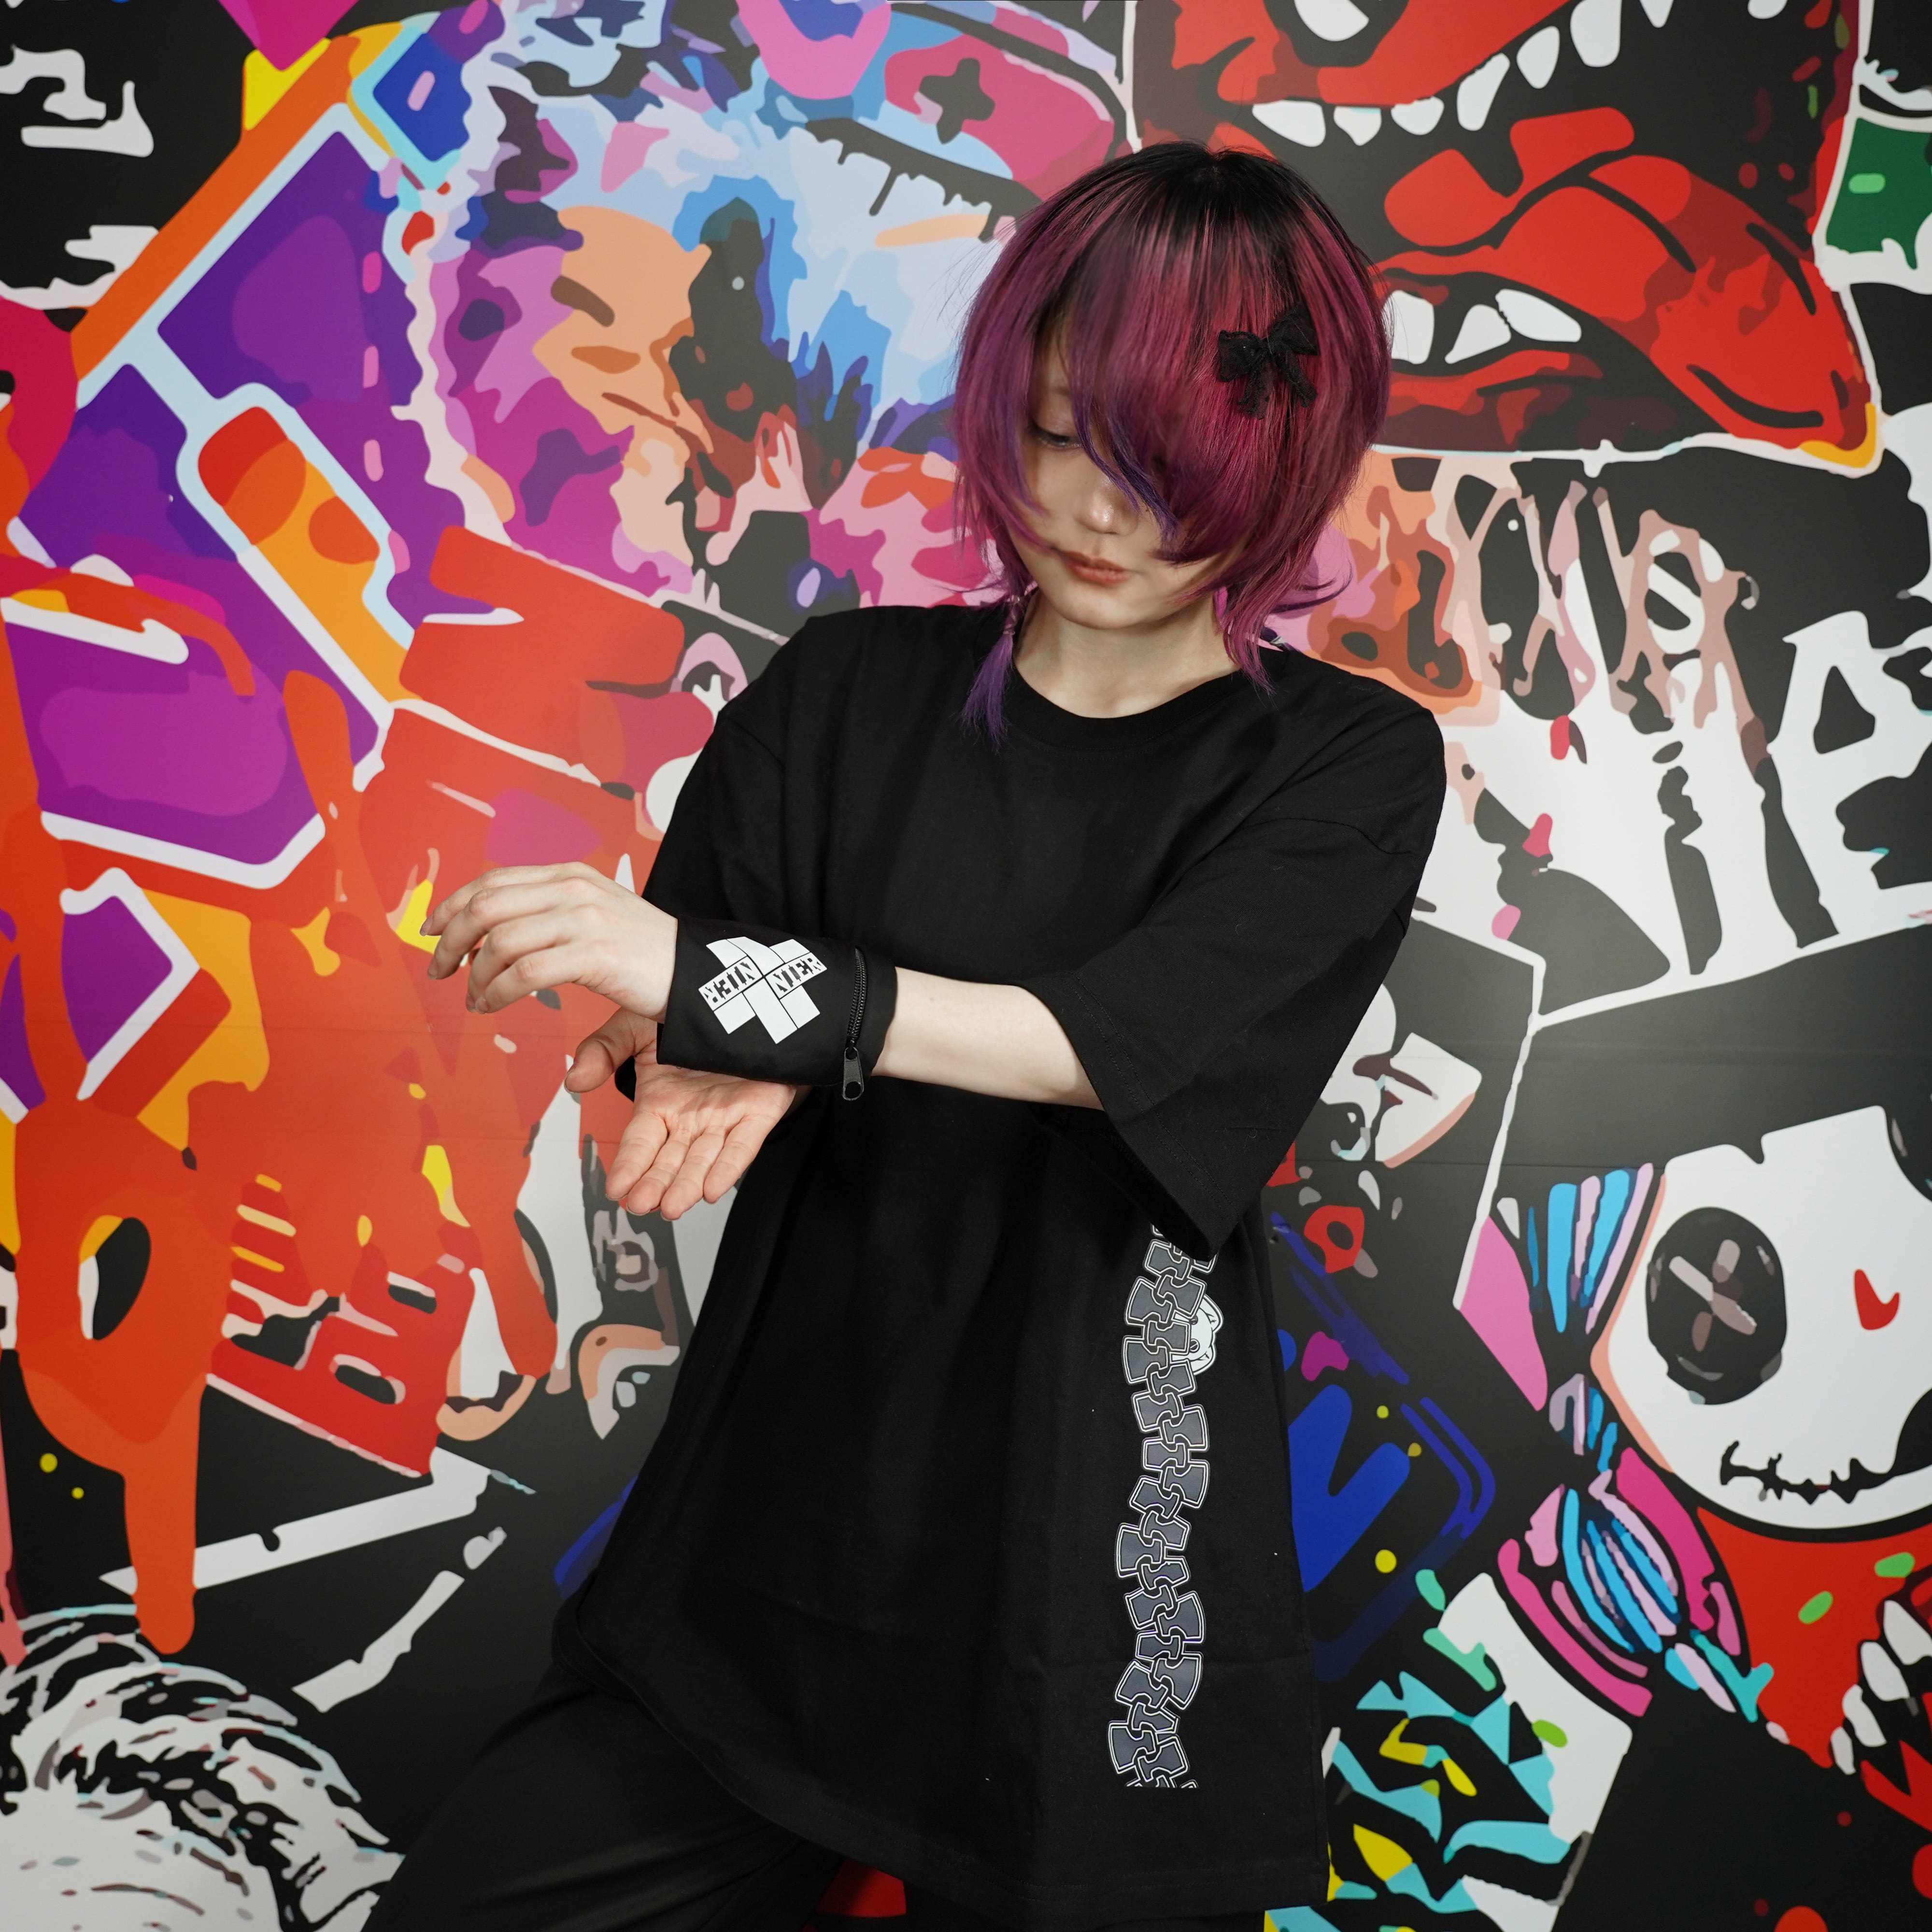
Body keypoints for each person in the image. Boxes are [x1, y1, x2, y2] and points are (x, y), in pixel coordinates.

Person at [369, 142, 1445, 1932]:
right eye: (1057, 436)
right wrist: (681, 1051)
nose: (1097, 510)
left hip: (1097, 1587)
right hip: (772, 1550)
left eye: (1164, 467)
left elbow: (1104, 1045)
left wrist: (748, 995)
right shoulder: (842, 697)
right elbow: (672, 1030)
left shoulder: (1344, 766)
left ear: (1278, 455)